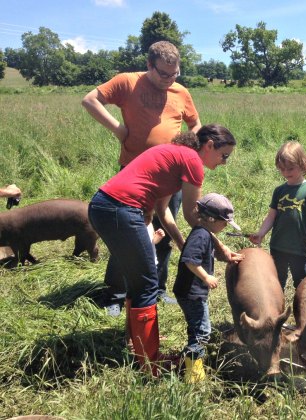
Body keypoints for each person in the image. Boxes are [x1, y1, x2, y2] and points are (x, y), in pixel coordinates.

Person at [88, 124, 242, 375]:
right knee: (148, 285)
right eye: (224, 155)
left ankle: (137, 348)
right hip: (122, 210)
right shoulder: (192, 160)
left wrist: (182, 244)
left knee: (137, 281)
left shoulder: (176, 153)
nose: (225, 162)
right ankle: (151, 363)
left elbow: (163, 211)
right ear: (209, 146)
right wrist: (221, 248)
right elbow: (196, 218)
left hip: (103, 206)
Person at [82, 40, 201, 311]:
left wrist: (185, 151)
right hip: (134, 178)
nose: (170, 79)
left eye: (175, 74)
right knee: (128, 236)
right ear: (149, 65)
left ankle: (155, 289)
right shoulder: (128, 82)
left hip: (170, 177)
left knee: (163, 233)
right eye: (163, 74)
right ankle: (115, 293)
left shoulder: (181, 91)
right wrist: (117, 129)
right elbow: (90, 100)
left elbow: (195, 124)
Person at [173, 193, 240, 383]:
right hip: (191, 292)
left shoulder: (205, 232)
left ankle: (189, 362)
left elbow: (206, 255)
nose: (226, 225)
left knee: (197, 327)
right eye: (224, 222)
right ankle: (192, 374)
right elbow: (189, 260)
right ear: (211, 219)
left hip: (192, 291)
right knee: (203, 331)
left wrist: (226, 257)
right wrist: (206, 276)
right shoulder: (200, 236)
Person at [249, 141, 306, 290]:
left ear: (302, 164)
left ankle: (302, 310)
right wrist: (261, 233)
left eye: (290, 168)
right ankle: (278, 311)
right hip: (277, 246)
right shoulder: (279, 191)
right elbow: (271, 216)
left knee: (301, 284)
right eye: (282, 169)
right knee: (276, 283)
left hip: (299, 249)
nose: (286, 172)